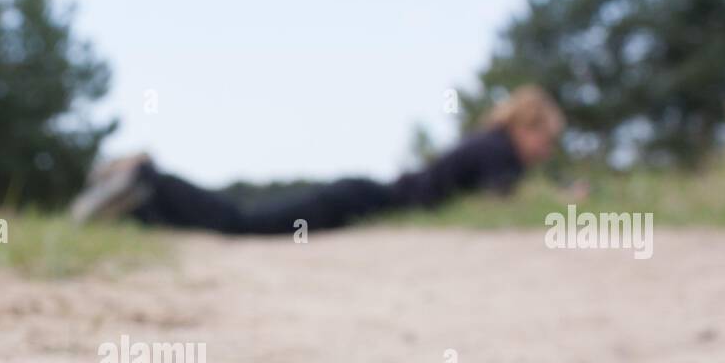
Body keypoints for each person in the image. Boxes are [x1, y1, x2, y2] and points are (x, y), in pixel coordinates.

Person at [71, 86, 566, 233]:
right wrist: (564, 199)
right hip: (359, 200)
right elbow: (502, 201)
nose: (545, 152)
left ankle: (139, 205)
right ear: (524, 127)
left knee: (237, 223)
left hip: (359, 195)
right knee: (240, 223)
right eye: (545, 140)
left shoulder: (487, 145)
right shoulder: (499, 151)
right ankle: (146, 175)